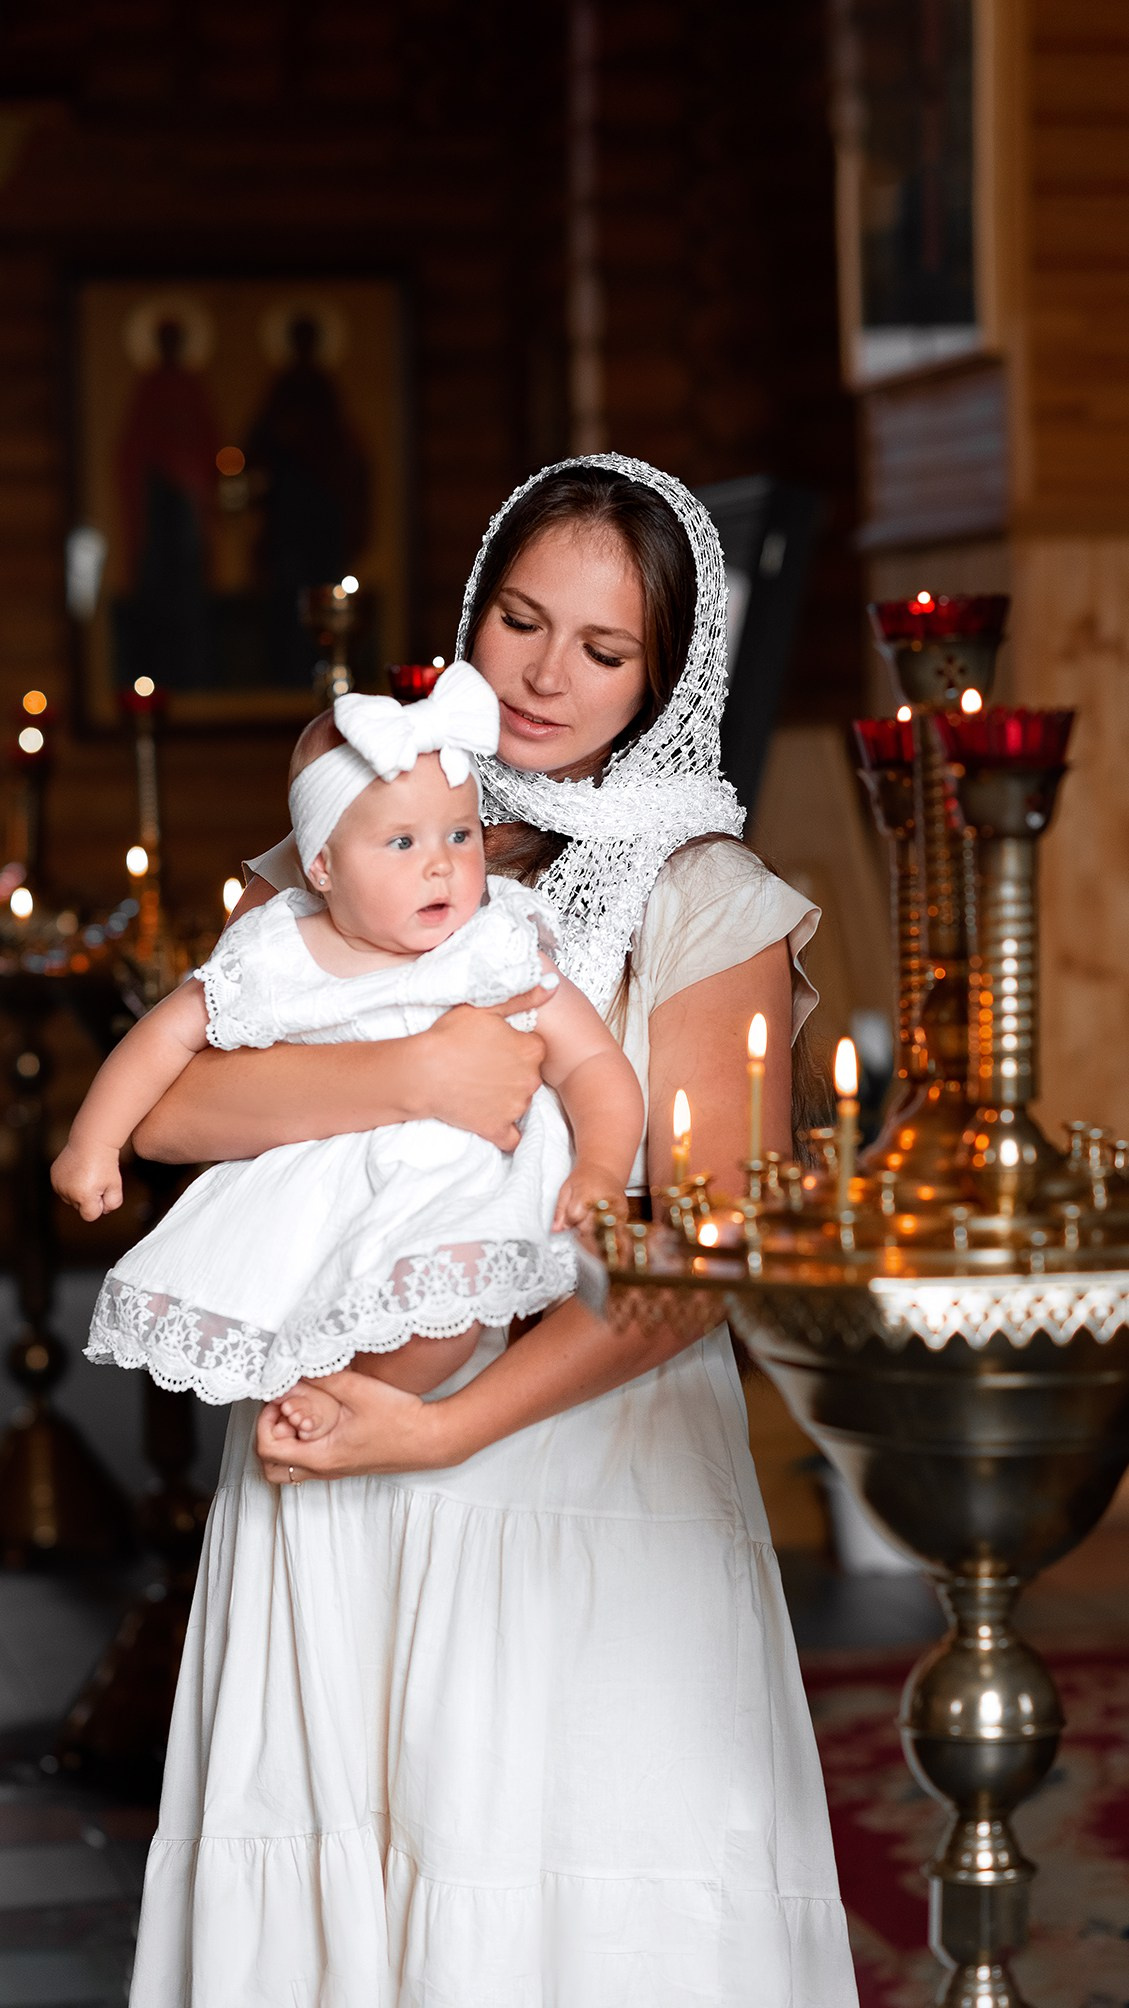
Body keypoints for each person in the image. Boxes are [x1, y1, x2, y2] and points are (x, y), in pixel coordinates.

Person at [124, 454, 858, 2006]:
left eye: (601, 653)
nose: (540, 676)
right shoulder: (367, 827)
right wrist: (407, 1072)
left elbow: (698, 1259)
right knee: (338, 1879)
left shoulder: (707, 896)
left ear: (667, 679)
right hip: (333, 1447)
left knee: (556, 1901)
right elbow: (171, 1110)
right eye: (519, 621)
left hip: (571, 1472)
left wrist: (447, 1434)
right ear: (473, 612)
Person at [54, 663, 641, 1414]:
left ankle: (349, 1407)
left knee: (441, 1324)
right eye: (401, 842)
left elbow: (592, 1061)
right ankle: (307, 1388)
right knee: (276, 1301)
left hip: (443, 1193)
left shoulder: (489, 946)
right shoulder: (279, 951)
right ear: (321, 865)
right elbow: (164, 1034)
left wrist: (599, 1165)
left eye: (460, 834)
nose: (441, 864)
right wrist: (93, 1143)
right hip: (312, 1199)